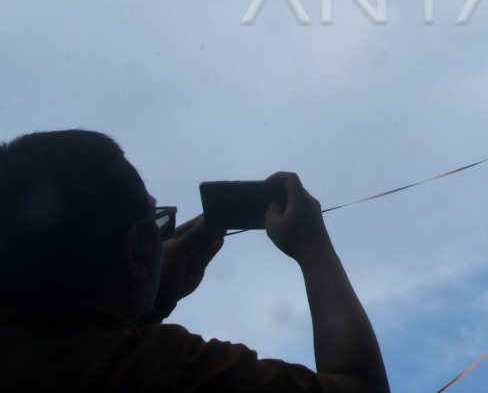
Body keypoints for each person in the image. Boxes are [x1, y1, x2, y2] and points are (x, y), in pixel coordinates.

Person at [0, 129, 390, 392]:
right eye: (157, 220)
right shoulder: (165, 369)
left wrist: (154, 299)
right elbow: (360, 386)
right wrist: (313, 249)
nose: (165, 233)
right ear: (137, 248)